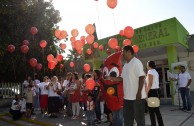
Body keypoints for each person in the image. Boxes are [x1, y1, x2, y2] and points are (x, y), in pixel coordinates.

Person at [106, 45, 146, 126]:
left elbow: (142, 77)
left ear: (129, 52)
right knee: (128, 120)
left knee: (139, 120)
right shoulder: (126, 65)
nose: (122, 54)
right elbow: (122, 78)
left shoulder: (136, 62)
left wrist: (139, 93)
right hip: (127, 98)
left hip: (137, 98)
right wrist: (111, 78)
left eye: (123, 52)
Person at [145, 60, 164, 126]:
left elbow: (150, 84)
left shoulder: (150, 71)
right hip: (156, 92)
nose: (146, 66)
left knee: (151, 111)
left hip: (152, 92)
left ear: (149, 65)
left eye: (147, 64)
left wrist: (146, 93)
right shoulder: (155, 71)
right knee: (156, 110)